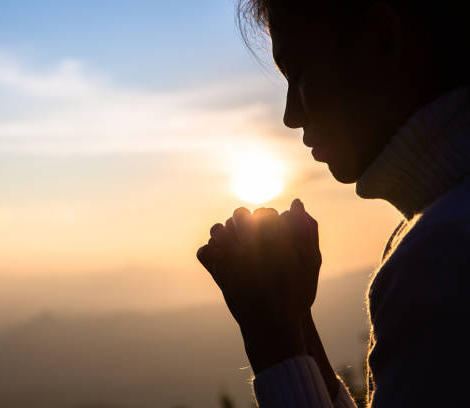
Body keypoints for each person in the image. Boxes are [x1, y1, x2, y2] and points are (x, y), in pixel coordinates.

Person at [196, 1, 470, 407]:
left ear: (381, 41)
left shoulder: (444, 258)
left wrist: (270, 337)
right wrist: (293, 321)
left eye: (299, 72)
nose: (290, 116)